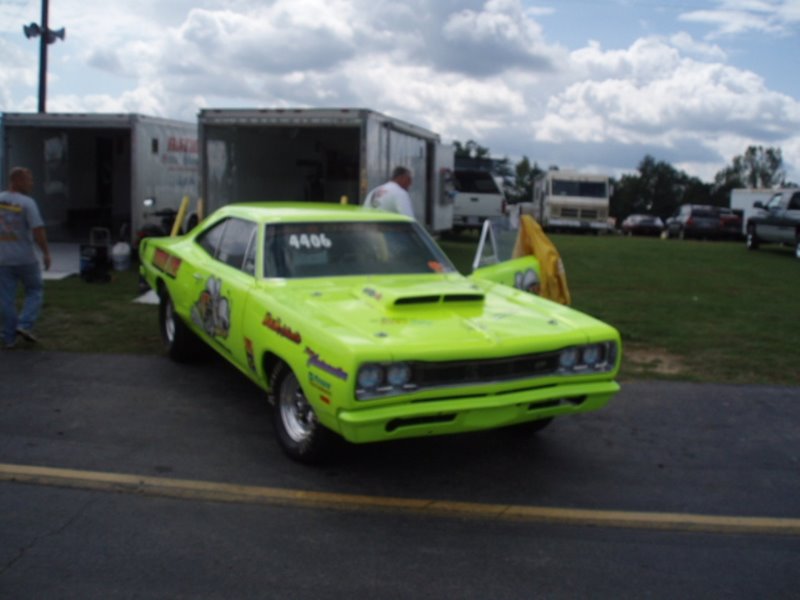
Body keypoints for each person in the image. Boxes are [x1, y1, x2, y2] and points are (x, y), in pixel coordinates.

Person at [0, 167, 51, 349]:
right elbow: (38, 230)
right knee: (35, 290)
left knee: (6, 298)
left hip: (3, 259)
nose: (31, 183)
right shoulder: (27, 203)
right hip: (25, 258)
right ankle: (24, 324)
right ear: (17, 181)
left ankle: (8, 337)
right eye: (28, 180)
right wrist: (45, 253)